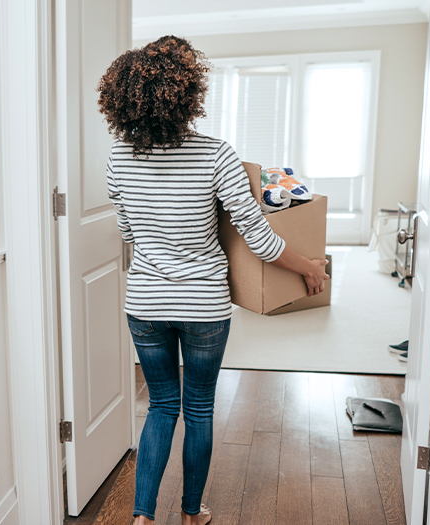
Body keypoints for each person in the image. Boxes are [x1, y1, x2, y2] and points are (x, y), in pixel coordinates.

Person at [97, 35, 329, 525]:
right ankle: (191, 513)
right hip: (202, 305)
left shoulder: (118, 157)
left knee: (161, 407)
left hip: (145, 303)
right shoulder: (215, 154)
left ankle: (141, 519)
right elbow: (260, 239)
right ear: (188, 93)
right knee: (198, 410)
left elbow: (127, 232)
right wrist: (310, 266)